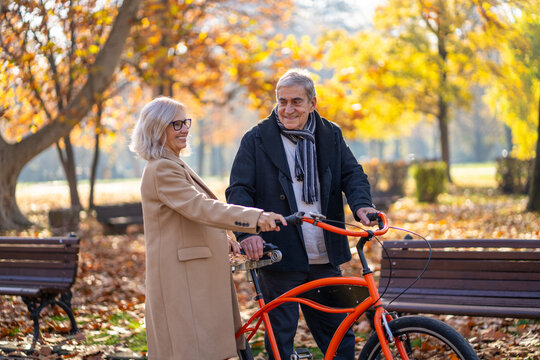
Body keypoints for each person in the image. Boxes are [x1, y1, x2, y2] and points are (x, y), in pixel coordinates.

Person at [226, 68, 377, 359]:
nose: (287, 109)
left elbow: (352, 174)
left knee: (339, 335)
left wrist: (362, 205)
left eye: (296, 101)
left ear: (312, 103)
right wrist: (247, 233)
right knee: (280, 339)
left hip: (325, 253)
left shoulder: (329, 134)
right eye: (282, 101)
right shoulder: (256, 138)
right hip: (280, 253)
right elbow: (238, 191)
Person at [129, 96, 286, 360]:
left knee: (206, 349)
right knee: (192, 351)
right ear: (157, 129)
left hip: (194, 275)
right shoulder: (162, 169)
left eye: (185, 122)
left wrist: (225, 238)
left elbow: (187, 216)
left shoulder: (172, 163)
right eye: (175, 124)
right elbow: (201, 207)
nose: (184, 129)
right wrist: (255, 218)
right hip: (183, 280)